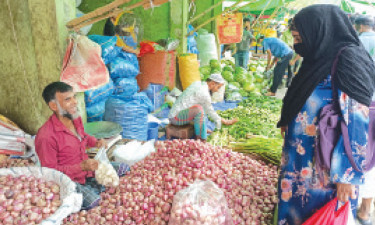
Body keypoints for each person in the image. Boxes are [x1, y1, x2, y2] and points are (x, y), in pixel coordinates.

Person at [276, 5, 375, 224]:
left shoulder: (349, 60)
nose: (297, 42)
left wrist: (346, 176)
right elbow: (299, 91)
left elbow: (357, 120)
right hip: (301, 161)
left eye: (301, 35)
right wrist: (288, 118)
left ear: (320, 29)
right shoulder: (317, 56)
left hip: (327, 171)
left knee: (321, 216)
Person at [35, 82, 130, 210]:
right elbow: (50, 173)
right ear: (53, 105)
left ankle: (92, 187)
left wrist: (95, 142)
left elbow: (83, 135)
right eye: (68, 99)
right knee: (94, 203)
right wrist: (80, 167)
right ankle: (88, 191)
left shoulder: (75, 118)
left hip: (88, 170)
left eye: (74, 97)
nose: (75, 102)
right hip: (70, 180)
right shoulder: (46, 136)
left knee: (124, 168)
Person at [168, 74, 238, 140]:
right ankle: (201, 140)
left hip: (175, 113)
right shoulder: (204, 93)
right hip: (175, 118)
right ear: (212, 83)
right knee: (199, 110)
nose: (217, 90)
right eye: (218, 87)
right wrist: (223, 121)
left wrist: (202, 127)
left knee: (200, 110)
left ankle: (198, 131)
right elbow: (210, 111)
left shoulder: (198, 83)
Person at [354, 15, 375, 225]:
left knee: (361, 154)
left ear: (359, 26)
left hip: (362, 105)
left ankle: (351, 203)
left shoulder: (355, 42)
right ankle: (366, 210)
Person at [281, 19, 302, 86]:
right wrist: (288, 46)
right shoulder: (285, 33)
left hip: (297, 55)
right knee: (289, 68)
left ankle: (293, 81)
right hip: (289, 54)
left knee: (296, 69)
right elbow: (283, 43)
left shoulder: (300, 33)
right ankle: (288, 82)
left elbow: (302, 48)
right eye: (291, 25)